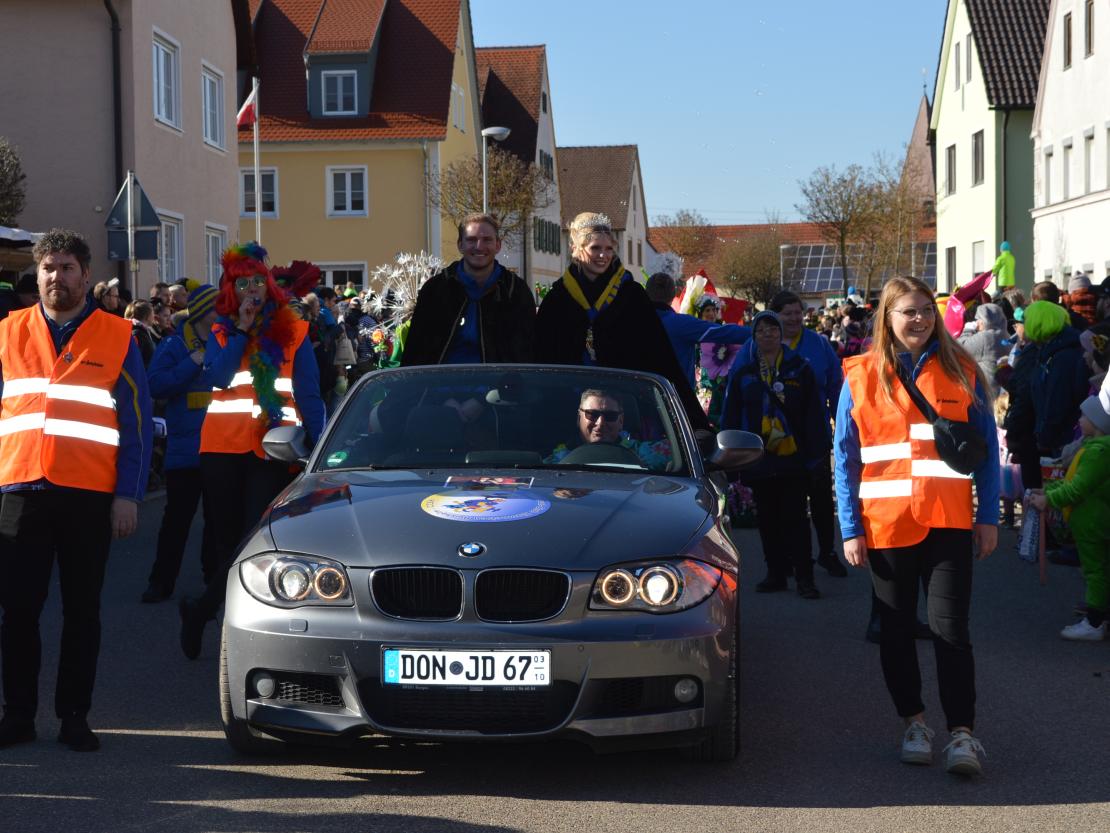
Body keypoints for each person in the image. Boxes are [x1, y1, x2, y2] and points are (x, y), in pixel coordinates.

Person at [834, 275, 999, 777]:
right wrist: (849, 528)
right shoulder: (860, 374)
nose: (921, 319)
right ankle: (914, 723)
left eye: (927, 310)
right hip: (886, 526)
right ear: (887, 318)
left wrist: (988, 517)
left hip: (948, 521)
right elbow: (845, 458)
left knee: (952, 631)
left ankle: (962, 734)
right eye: (909, 311)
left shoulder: (962, 369)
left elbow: (986, 451)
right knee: (896, 631)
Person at [0, 229, 152, 751]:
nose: (56, 277)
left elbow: (136, 422)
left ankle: (74, 717)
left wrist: (128, 495)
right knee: (18, 611)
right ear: (37, 273)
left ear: (86, 276)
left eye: (67, 268)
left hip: (88, 495)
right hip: (20, 488)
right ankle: (18, 715)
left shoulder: (117, 334)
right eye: (48, 267)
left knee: (82, 611)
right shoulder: (8, 331)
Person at [178, 243, 325, 660]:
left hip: (272, 449)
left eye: (258, 281)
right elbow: (219, 376)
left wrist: (323, 450)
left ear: (269, 286)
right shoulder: (222, 330)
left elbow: (309, 396)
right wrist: (241, 329)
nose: (252, 290)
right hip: (221, 448)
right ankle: (225, 626)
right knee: (226, 541)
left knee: (253, 541)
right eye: (242, 284)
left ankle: (206, 611)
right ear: (231, 289)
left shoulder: (295, 331)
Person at [536, 213, 709, 430]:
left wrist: (692, 421)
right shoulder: (559, 297)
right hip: (568, 404)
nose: (603, 255)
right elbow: (542, 355)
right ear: (576, 249)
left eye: (609, 248)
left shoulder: (631, 295)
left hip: (625, 407)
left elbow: (659, 355)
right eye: (595, 248)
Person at [721, 311, 828, 598]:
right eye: (761, 330)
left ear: (781, 334)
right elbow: (731, 416)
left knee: (796, 518)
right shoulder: (744, 373)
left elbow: (814, 414)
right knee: (767, 519)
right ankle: (776, 573)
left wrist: (817, 456)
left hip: (794, 458)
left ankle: (805, 578)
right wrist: (731, 459)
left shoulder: (799, 368)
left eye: (772, 329)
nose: (767, 334)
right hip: (759, 458)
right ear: (753, 337)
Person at [141, 284, 220, 603]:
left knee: (216, 522)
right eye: (217, 307)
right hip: (184, 452)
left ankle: (213, 583)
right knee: (176, 521)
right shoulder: (174, 344)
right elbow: (155, 384)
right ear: (203, 312)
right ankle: (161, 582)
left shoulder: (226, 342)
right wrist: (194, 360)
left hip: (219, 448)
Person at [770, 290, 848, 577]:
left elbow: (836, 387)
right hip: (776, 436)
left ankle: (827, 552)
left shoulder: (818, 344)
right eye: (787, 313)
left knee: (821, 498)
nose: (794, 318)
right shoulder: (764, 344)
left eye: (797, 313)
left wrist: (842, 427)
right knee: (787, 500)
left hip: (814, 433)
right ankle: (789, 558)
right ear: (775, 316)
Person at [402, 213, 535, 366]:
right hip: (442, 380)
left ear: (498, 245)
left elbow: (528, 352)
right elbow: (415, 351)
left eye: (487, 240)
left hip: (498, 380)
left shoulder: (515, 291)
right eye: (471, 240)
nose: (479, 246)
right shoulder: (436, 290)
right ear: (460, 245)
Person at [1029, 394, 1110, 640]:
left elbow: (1076, 488)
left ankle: (1094, 623)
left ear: (1097, 422)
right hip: (1093, 519)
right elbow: (1072, 482)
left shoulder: (1098, 452)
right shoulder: (1095, 448)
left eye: (1084, 415)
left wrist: (1048, 499)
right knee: (1100, 569)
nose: (1080, 420)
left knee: (1095, 571)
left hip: (1092, 521)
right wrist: (1048, 491)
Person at [645, 272, 749, 393]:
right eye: (707, 310)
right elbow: (725, 332)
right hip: (677, 398)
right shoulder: (681, 324)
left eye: (714, 310)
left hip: (639, 396)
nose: (711, 314)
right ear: (673, 294)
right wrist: (759, 331)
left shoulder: (632, 322)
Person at [1024, 300, 1089, 458]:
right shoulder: (1055, 350)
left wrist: (1045, 436)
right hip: (1062, 434)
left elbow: (1057, 399)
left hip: (1064, 439)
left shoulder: (1061, 356)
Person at [957, 302, 1009, 394]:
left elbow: (959, 348)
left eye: (978, 319)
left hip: (988, 392)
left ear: (985, 320)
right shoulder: (1005, 335)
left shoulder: (986, 338)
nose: (976, 322)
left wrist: (968, 330)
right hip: (1003, 389)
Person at [124, 299, 158, 367]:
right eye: (152, 313)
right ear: (147, 316)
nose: (154, 316)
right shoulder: (137, 333)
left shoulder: (141, 331)